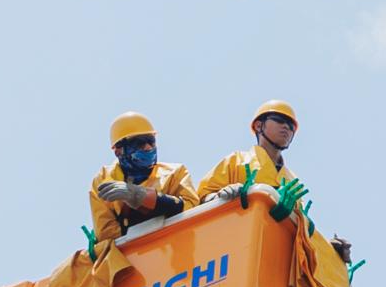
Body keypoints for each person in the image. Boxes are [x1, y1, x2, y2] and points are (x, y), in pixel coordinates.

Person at [87, 113, 196, 247]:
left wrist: (142, 196)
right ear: (118, 151)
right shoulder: (104, 179)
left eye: (151, 141)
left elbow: (192, 208)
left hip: (173, 245)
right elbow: (107, 236)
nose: (148, 147)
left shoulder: (174, 173)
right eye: (139, 143)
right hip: (135, 256)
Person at [202, 97, 306, 213]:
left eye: (291, 126)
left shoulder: (293, 182)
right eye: (279, 120)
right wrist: (221, 197)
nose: (287, 127)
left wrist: (305, 223)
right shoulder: (235, 161)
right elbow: (201, 199)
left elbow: (301, 223)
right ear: (258, 126)